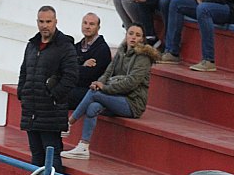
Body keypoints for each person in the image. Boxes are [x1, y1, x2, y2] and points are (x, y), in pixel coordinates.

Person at [61, 24, 160, 160]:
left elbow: (130, 84)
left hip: (132, 103)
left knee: (95, 94)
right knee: (93, 106)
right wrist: (98, 83)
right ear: (126, 35)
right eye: (131, 33)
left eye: (138, 35)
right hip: (116, 97)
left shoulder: (143, 58)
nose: (133, 37)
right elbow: (107, 73)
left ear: (142, 39)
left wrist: (104, 88)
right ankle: (83, 147)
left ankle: (69, 123)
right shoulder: (121, 52)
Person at [13, 6, 78, 175]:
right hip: (32, 109)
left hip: (51, 111)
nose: (44, 26)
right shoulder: (32, 45)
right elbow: (24, 70)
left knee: (51, 153)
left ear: (56, 22)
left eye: (48, 21)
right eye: (41, 21)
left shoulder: (65, 47)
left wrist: (53, 95)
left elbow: (71, 77)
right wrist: (21, 92)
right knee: (37, 154)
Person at [66, 13, 112, 112]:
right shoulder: (76, 47)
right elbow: (63, 68)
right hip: (73, 87)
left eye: (91, 24)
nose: (87, 26)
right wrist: (82, 66)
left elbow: (89, 76)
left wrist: (74, 67)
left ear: (98, 27)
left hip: (90, 91)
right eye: (85, 23)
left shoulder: (102, 49)